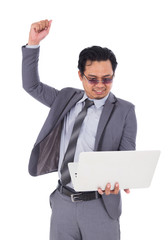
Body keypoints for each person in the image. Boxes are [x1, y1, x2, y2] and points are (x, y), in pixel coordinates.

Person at [22, 19, 137, 240]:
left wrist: (122, 178)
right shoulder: (65, 98)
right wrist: (33, 44)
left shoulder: (125, 111)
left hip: (100, 206)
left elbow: (127, 157)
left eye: (107, 78)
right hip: (63, 204)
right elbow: (31, 86)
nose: (100, 85)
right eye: (92, 79)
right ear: (80, 76)